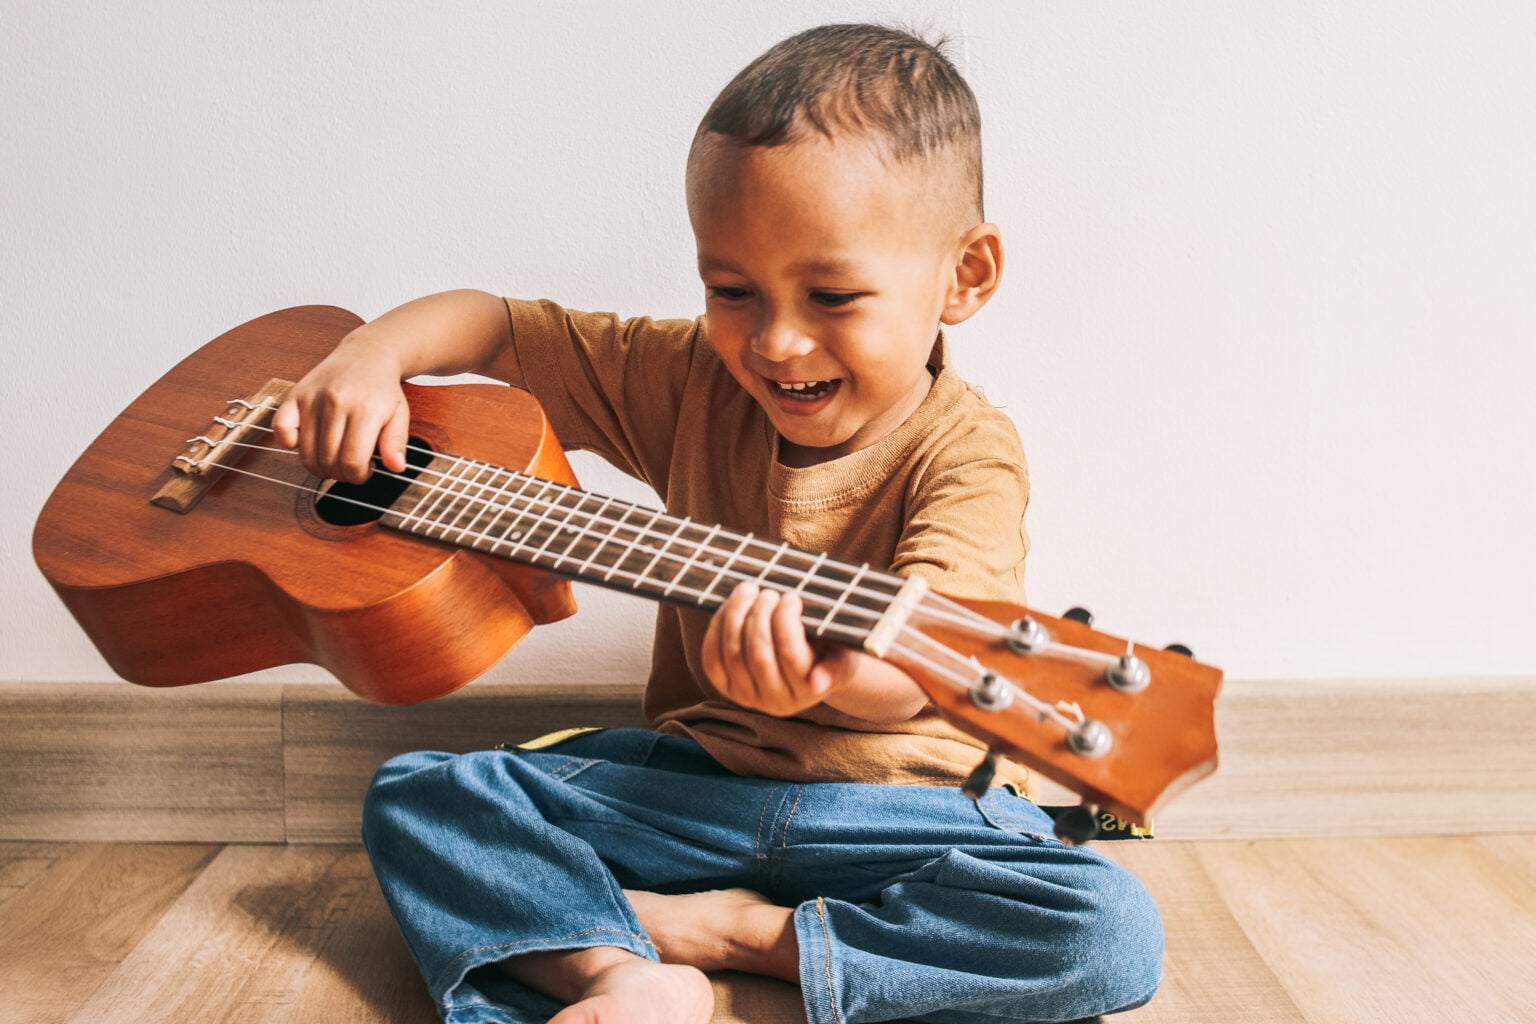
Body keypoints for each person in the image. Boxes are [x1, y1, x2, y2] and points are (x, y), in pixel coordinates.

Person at [274, 23, 1162, 1024]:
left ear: (966, 275)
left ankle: (726, 948)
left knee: (1106, 925)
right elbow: (498, 326)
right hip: (695, 792)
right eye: (730, 290)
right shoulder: (694, 376)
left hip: (902, 817)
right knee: (421, 796)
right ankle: (628, 977)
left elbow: (941, 648)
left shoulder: (971, 452)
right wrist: (364, 357)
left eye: (833, 295)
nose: (776, 341)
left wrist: (830, 679)